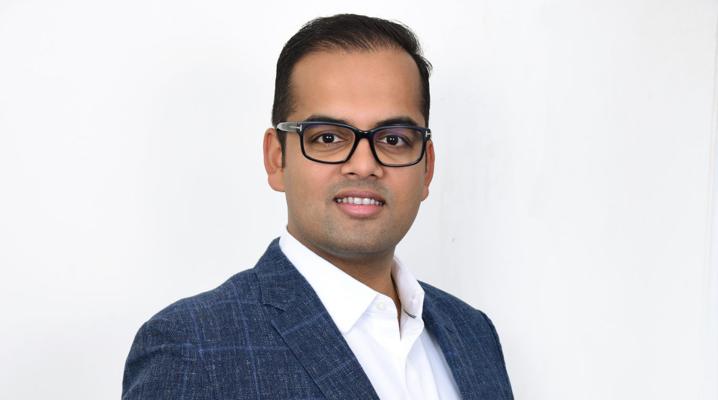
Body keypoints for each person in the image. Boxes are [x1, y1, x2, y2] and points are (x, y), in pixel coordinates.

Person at [122, 13, 513, 400]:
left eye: (394, 139)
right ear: (277, 159)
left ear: (427, 167)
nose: (364, 165)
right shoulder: (193, 348)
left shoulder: (474, 335)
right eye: (328, 138)